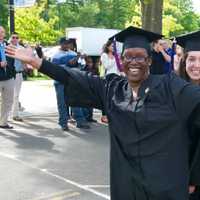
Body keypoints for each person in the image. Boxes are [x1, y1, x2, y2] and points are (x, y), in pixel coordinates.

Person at [6, 26, 200, 200]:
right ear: (121, 60)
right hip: (127, 185)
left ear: (149, 61)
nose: (134, 62)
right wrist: (37, 62)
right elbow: (73, 77)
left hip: (164, 187)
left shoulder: (171, 88)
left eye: (140, 56)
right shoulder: (112, 88)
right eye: (128, 56)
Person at [176, 31, 200, 200]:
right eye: (192, 59)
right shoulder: (173, 92)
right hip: (175, 172)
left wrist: (192, 178)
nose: (196, 65)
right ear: (184, 62)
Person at [0, 26, 15, 129]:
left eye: (2, 32)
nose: (1, 34)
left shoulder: (7, 45)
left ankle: (3, 122)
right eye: (0, 32)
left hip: (8, 77)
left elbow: (12, 59)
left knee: (8, 101)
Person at [9, 32, 25, 122]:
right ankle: (5, 115)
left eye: (16, 37)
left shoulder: (21, 48)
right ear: (10, 38)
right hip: (8, 74)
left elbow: (25, 60)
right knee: (6, 95)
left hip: (18, 74)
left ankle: (15, 115)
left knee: (16, 95)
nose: (15, 39)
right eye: (13, 37)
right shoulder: (6, 47)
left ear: (19, 39)